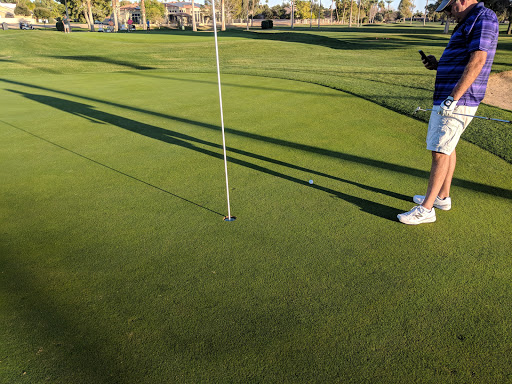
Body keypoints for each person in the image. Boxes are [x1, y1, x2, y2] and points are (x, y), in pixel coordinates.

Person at [397, 0, 499, 225]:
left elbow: (478, 60)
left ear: (462, 0)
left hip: (458, 99)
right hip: (450, 96)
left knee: (439, 152)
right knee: (448, 148)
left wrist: (454, 98)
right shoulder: (468, 20)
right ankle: (442, 197)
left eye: (450, 8)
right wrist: (438, 64)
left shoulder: (484, 17)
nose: (449, 14)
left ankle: (427, 209)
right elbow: (463, 58)